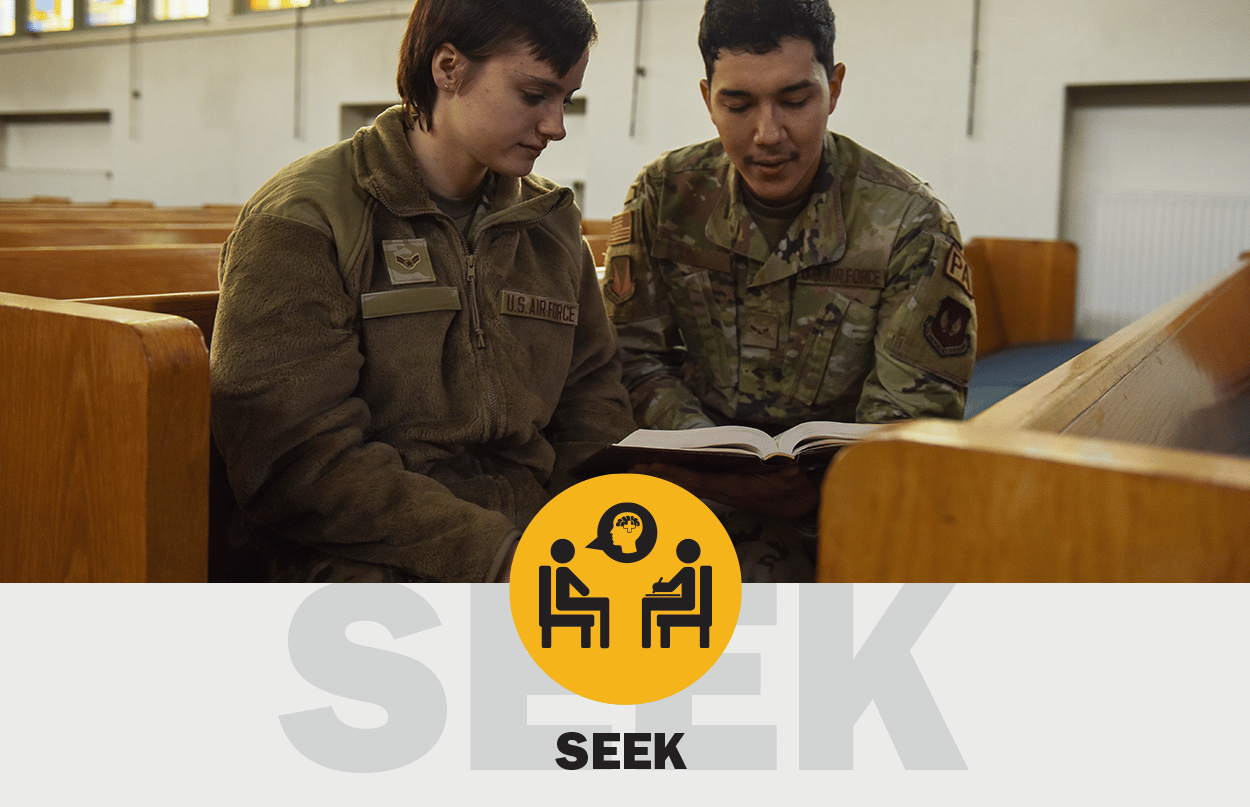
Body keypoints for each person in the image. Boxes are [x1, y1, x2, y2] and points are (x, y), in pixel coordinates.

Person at [209, 0, 635, 583]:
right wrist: (498, 558)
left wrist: (592, 530)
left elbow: (592, 399)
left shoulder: (549, 223)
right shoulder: (305, 218)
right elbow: (295, 459)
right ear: (448, 68)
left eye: (567, 99)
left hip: (538, 536)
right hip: (365, 552)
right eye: (535, 95)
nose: (555, 126)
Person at [602, 0, 976, 582]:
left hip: (842, 510)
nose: (768, 134)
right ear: (707, 98)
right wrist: (709, 450)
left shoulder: (908, 223)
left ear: (834, 87)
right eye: (737, 105)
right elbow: (630, 356)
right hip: (691, 488)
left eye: (795, 101)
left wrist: (811, 492)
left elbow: (911, 419)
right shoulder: (665, 196)